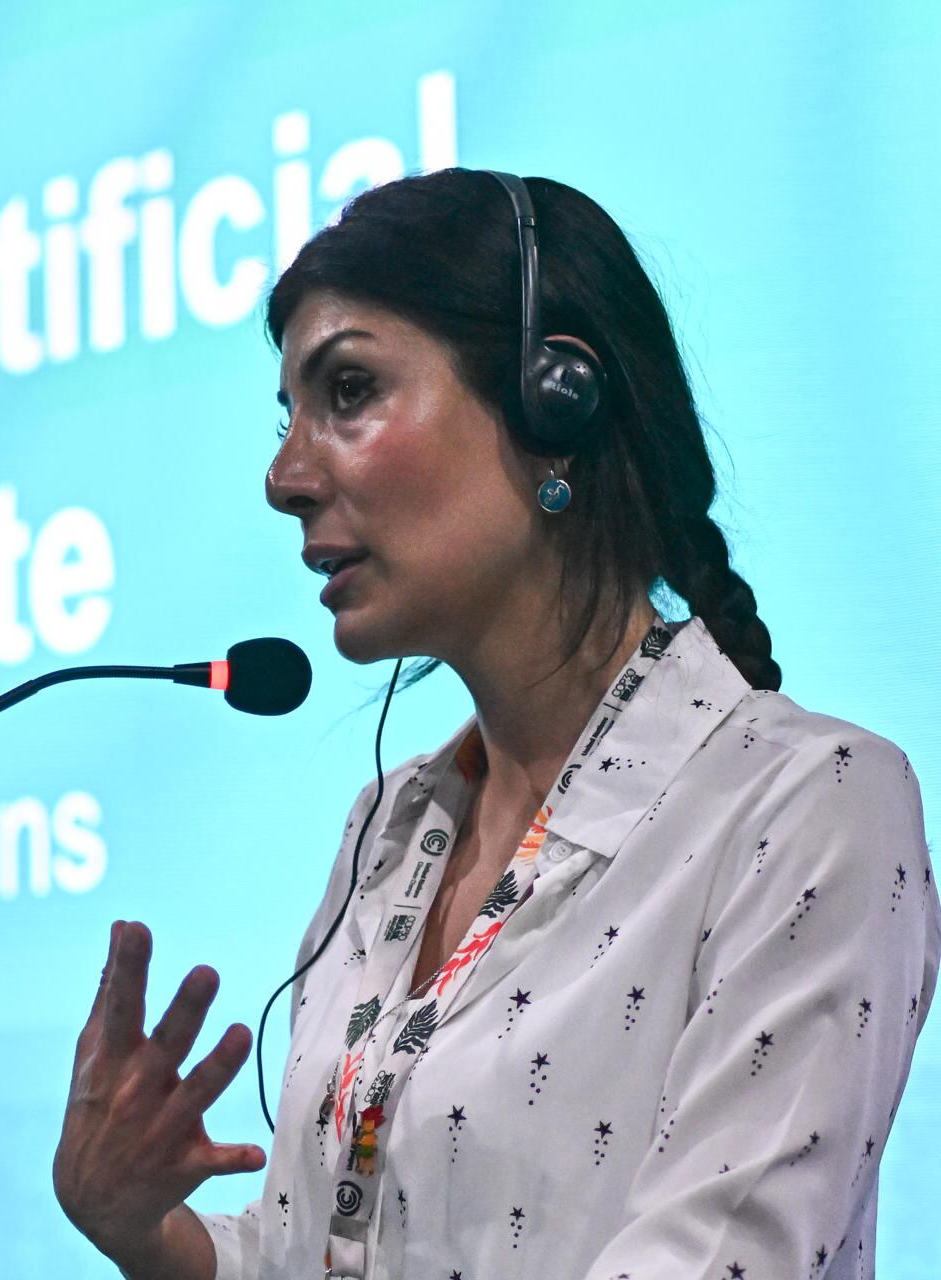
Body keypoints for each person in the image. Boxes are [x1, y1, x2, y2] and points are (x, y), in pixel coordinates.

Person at [51, 168, 939, 1280]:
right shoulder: (392, 823)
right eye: (288, 417)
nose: (283, 477)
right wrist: (157, 1237)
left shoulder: (811, 805)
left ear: (552, 403)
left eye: (351, 389)